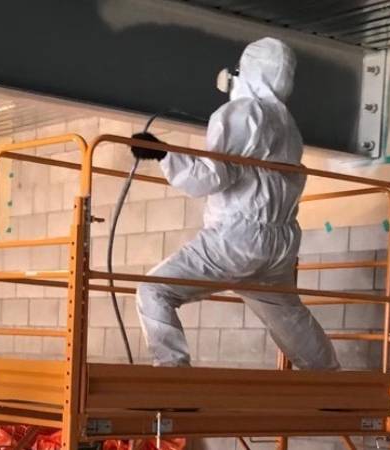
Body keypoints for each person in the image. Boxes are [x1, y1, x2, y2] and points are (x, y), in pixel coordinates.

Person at [130, 37, 339, 370]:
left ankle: (171, 378)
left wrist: (163, 154)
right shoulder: (289, 126)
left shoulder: (243, 112)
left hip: (237, 238)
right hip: (279, 244)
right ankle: (332, 384)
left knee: (154, 290)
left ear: (250, 71)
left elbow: (212, 176)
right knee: (289, 317)